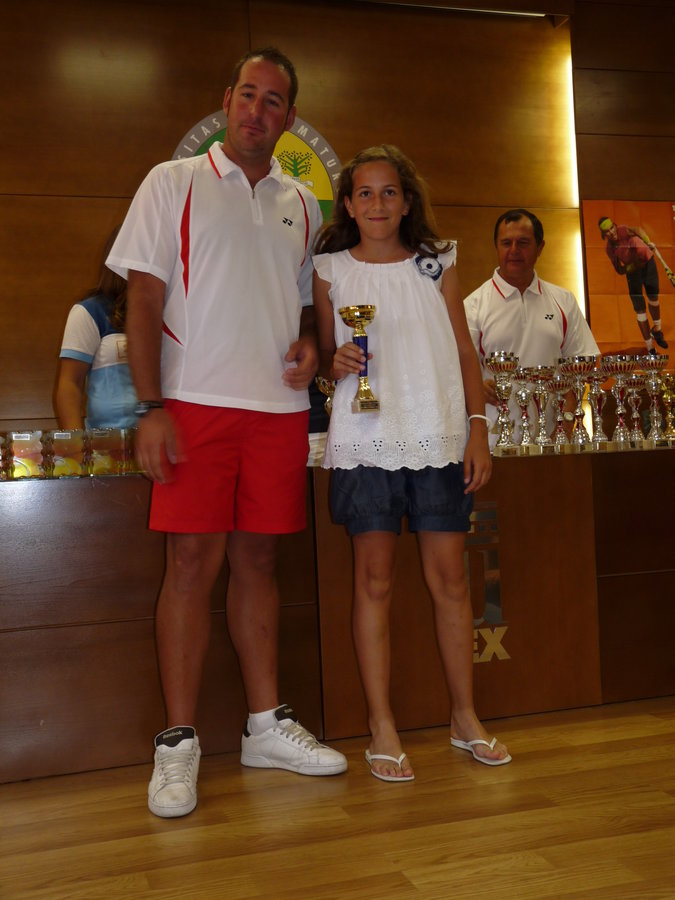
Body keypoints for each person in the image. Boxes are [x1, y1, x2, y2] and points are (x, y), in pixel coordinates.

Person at [106, 47, 347, 819]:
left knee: (260, 562)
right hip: (194, 404)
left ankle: (264, 727)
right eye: (248, 94)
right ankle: (177, 745)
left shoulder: (302, 202)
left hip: (277, 411)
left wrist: (308, 342)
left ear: (288, 118)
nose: (257, 110)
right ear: (227, 100)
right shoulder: (170, 181)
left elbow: (305, 303)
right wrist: (151, 405)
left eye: (273, 101)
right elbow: (144, 299)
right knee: (189, 565)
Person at [313, 144, 511, 782]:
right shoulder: (329, 270)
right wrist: (332, 364)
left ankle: (464, 716)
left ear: (406, 201)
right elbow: (325, 358)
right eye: (365, 193)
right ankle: (382, 724)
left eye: (389, 192)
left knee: (451, 581)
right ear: (348, 205)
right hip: (366, 440)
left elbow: (464, 352)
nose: (377, 203)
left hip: (437, 436)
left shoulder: (437, 262)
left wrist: (477, 429)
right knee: (373, 582)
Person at [463, 209, 599, 446]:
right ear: (496, 247)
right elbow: (456, 372)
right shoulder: (473, 306)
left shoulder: (564, 301)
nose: (514, 250)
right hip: (493, 444)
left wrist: (566, 425)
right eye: (506, 243)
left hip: (554, 442)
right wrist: (474, 388)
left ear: (540, 247)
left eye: (523, 243)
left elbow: (580, 371)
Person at [55, 226, 137, 430]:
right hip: (109, 441)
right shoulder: (90, 311)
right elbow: (70, 385)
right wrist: (76, 445)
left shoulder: (166, 313)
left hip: (162, 440)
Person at [598, 216, 668, 354]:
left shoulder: (624, 230)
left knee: (653, 299)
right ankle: (650, 347)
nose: (611, 232)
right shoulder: (610, 249)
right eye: (607, 231)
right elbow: (619, 270)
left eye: (612, 228)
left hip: (648, 263)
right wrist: (631, 267)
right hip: (633, 273)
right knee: (640, 310)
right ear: (604, 235)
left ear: (615, 226)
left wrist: (647, 241)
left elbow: (639, 230)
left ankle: (657, 331)